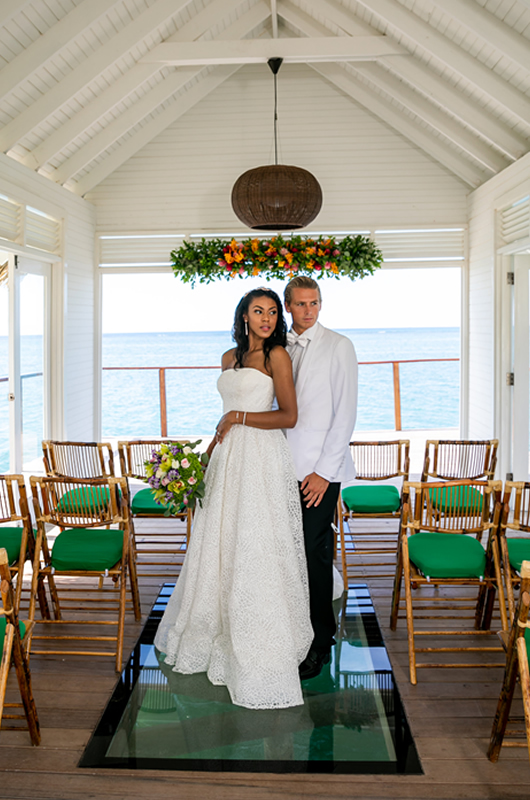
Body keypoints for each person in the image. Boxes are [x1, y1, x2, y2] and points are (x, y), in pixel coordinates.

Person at [154, 287, 313, 710]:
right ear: (244, 315)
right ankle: (212, 628)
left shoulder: (276, 356)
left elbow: (289, 416)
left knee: (255, 538)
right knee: (219, 540)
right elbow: (223, 419)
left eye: (273, 312)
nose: (266, 318)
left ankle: (260, 635)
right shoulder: (229, 357)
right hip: (227, 457)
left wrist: (238, 417)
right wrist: (204, 457)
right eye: (258, 311)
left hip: (260, 456)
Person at [284, 276, 358, 680]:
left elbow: (345, 414)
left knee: (315, 555)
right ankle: (291, 631)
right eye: (301, 304)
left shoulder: (339, 346)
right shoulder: (278, 347)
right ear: (288, 305)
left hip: (318, 473)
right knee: (286, 555)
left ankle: (320, 642)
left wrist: (324, 475)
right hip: (277, 470)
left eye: (315, 303)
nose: (309, 311)